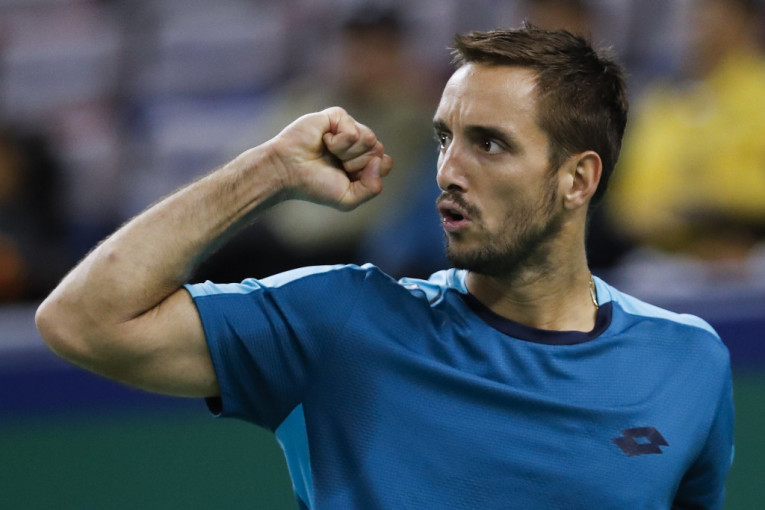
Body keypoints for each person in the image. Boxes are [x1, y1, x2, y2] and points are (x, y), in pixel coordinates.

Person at [36, 25, 734, 509]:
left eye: (489, 144)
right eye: (444, 138)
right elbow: (82, 320)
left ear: (578, 179)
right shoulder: (340, 322)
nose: (448, 171)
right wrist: (268, 170)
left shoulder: (689, 362)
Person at [607, 0, 765, 275]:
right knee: (634, 276)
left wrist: (722, 209)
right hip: (670, 258)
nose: (704, 24)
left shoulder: (759, 90)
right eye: (699, 13)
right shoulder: (664, 100)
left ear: (746, 22)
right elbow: (629, 204)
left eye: (718, 13)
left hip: (752, 250)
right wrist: (678, 219)